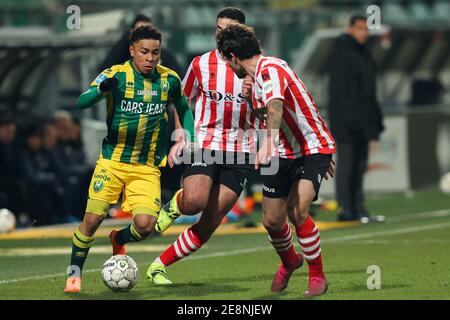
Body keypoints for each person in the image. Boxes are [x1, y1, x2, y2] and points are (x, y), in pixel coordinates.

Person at [64, 25, 196, 293]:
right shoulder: (116, 75)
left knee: (146, 226)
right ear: (132, 51)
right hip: (112, 162)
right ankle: (74, 273)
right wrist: (101, 90)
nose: (151, 58)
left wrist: (188, 136)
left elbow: (183, 107)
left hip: (146, 167)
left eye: (156, 52)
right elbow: (81, 102)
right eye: (145, 52)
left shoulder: (169, 79)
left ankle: (118, 238)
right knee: (92, 219)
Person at [217, 24, 335, 296]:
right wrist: (249, 99)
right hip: (284, 152)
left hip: (310, 147)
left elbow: (276, 107)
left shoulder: (270, 69)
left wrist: (268, 141)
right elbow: (273, 110)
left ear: (232, 57)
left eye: (227, 60)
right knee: (271, 221)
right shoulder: (253, 82)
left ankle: (317, 277)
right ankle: (290, 260)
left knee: (297, 210)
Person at [146, 7, 258, 285]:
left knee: (211, 219)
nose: (221, 36)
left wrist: (254, 96)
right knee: (195, 202)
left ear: (242, 33)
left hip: (240, 149)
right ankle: (176, 204)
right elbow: (183, 101)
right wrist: (182, 136)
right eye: (217, 30)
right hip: (205, 142)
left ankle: (159, 266)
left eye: (228, 31)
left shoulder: (258, 67)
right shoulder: (200, 64)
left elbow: (270, 111)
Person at [328, 15, 384, 222]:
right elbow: (339, 93)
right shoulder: (341, 54)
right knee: (347, 166)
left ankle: (359, 208)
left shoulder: (365, 54)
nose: (364, 33)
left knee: (360, 166)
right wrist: (349, 121)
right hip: (347, 123)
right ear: (350, 29)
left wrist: (375, 124)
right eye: (360, 28)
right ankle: (345, 209)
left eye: (366, 29)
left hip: (364, 122)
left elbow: (370, 93)